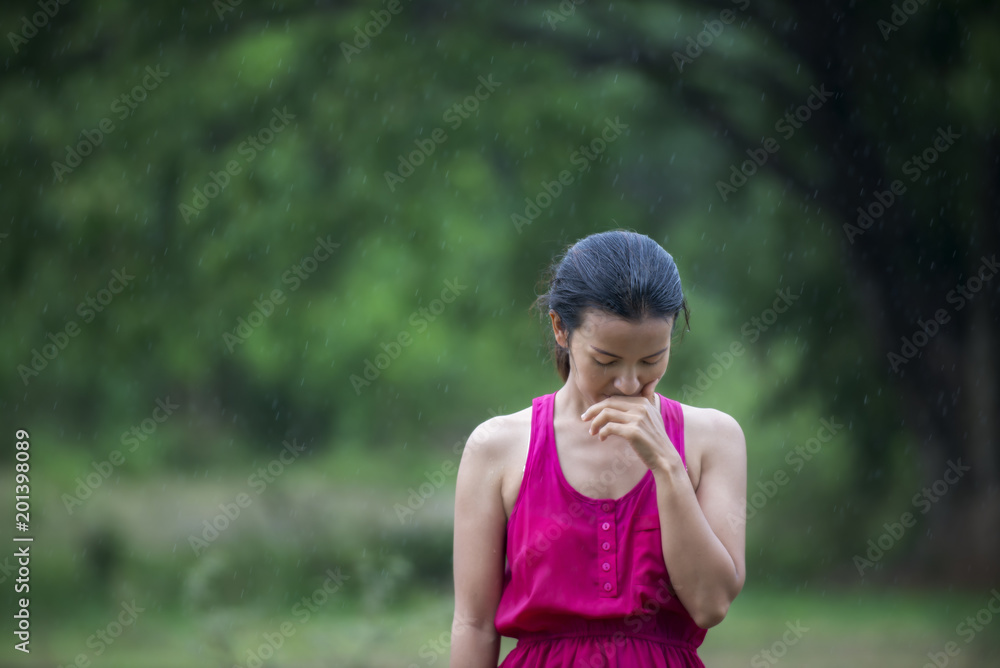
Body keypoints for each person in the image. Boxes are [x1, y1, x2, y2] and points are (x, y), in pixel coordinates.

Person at [450, 229, 747, 667]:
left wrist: (667, 465)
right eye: (606, 361)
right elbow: (474, 624)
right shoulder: (497, 448)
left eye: (652, 361)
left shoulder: (714, 438)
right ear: (560, 330)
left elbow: (710, 604)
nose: (628, 384)